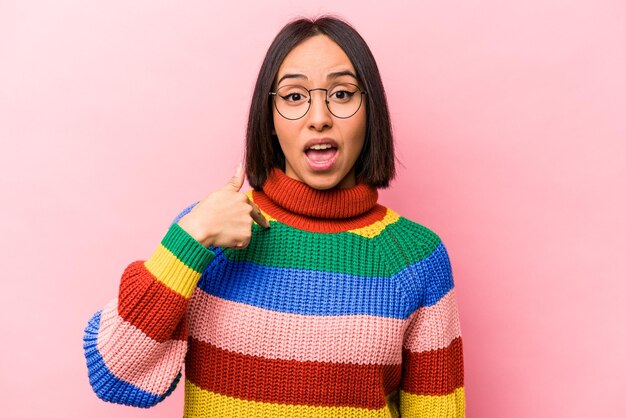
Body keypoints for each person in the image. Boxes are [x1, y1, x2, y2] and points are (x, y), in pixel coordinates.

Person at [83, 15, 466, 417]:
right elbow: (113, 373)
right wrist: (189, 237)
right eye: (294, 97)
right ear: (269, 119)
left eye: (341, 93)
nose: (319, 117)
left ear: (371, 113)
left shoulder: (417, 258)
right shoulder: (210, 235)